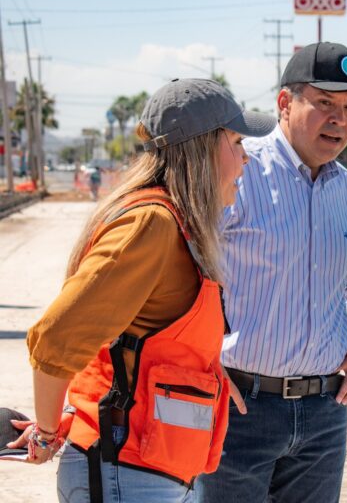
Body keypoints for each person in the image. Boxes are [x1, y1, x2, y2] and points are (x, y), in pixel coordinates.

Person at [14, 78, 276, 502]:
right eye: (236, 142)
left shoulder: (178, 226)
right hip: (126, 474)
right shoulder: (152, 224)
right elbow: (57, 338)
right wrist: (46, 433)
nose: (246, 159)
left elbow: (148, 340)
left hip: (152, 472)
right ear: (203, 149)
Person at [195, 42, 347, 503]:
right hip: (240, 408)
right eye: (324, 103)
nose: (338, 119)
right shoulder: (239, 172)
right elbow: (187, 273)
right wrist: (201, 364)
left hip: (324, 412)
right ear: (285, 103)